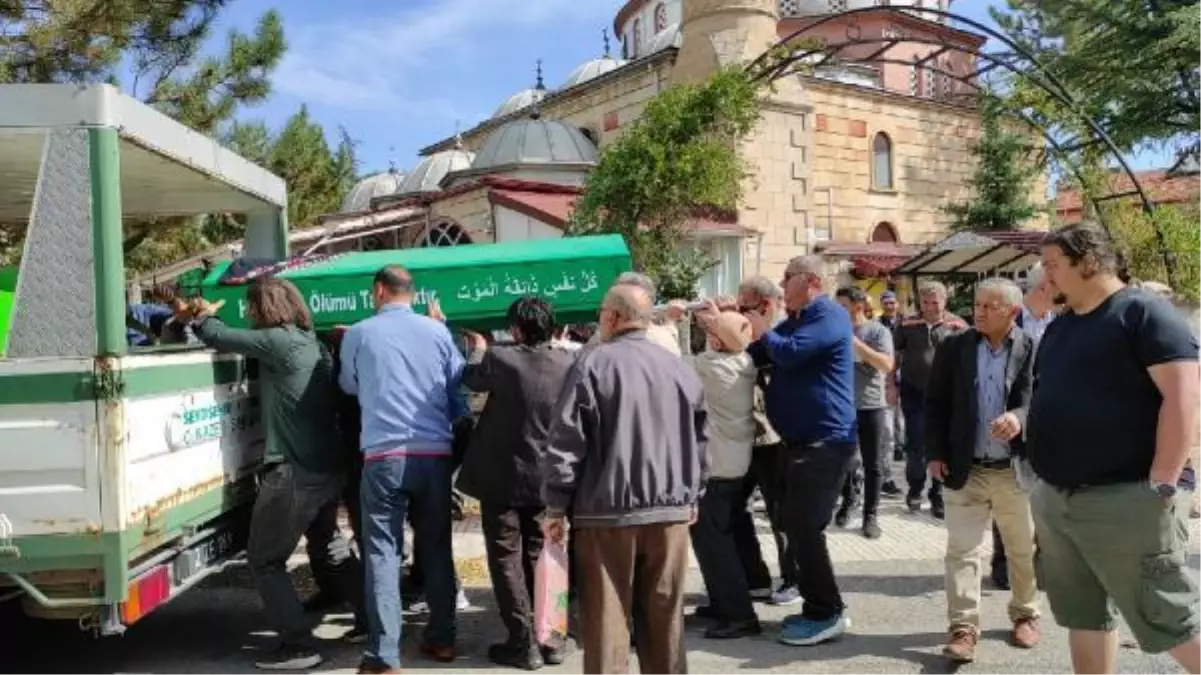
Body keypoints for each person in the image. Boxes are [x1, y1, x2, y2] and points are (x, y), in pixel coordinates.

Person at [1027, 223, 1201, 675]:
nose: (1044, 278)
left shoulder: (1143, 313)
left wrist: (1162, 483)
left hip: (1127, 499)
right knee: (1084, 617)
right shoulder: (1063, 326)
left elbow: (1183, 397)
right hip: (1059, 498)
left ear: (1087, 262)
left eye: (1052, 266)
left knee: (1171, 619)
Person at [182, 280, 363, 671]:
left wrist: (200, 313)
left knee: (265, 560)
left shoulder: (277, 341)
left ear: (266, 307)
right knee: (330, 542)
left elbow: (216, 335)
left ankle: (298, 646)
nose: (248, 314)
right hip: (327, 466)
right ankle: (371, 620)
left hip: (295, 471)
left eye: (251, 307)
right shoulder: (309, 341)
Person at [541, 283, 708, 675]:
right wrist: (693, 495)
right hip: (670, 514)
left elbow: (567, 441)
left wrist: (555, 505)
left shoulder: (591, 364)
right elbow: (701, 440)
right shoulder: (677, 367)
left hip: (606, 514)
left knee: (607, 623)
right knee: (666, 621)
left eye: (601, 312)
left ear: (613, 317)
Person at [338, 265, 466, 674]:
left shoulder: (359, 333)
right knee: (436, 548)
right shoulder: (439, 332)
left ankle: (383, 655)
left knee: (381, 553)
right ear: (411, 293)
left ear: (378, 291)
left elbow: (349, 386)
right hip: (434, 457)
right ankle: (443, 639)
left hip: (382, 458)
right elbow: (456, 385)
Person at [455, 297, 575, 669]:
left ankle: (523, 642)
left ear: (517, 329)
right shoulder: (568, 362)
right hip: (548, 480)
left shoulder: (499, 358)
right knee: (545, 556)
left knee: (506, 557)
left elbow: (469, 378)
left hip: (501, 478)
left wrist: (478, 348)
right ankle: (551, 638)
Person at [925, 278, 1041, 663]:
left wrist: (1020, 418)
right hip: (966, 468)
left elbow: (1044, 401)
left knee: (1021, 549)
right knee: (962, 551)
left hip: (1013, 469)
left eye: (990, 306)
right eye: (977, 304)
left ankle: (1025, 614)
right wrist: (935, 453)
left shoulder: (1032, 348)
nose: (979, 311)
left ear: (1011, 311)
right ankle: (963, 628)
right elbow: (936, 403)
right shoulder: (954, 346)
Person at [745, 255, 856, 646]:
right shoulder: (796, 320)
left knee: (805, 528)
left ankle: (827, 611)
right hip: (799, 444)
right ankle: (817, 606)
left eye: (786, 277)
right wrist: (730, 328)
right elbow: (759, 356)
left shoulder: (828, 315)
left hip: (825, 443)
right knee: (795, 525)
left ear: (809, 281)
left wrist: (761, 329)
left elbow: (789, 352)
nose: (780, 283)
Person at [684, 310, 762, 639]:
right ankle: (721, 603)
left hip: (716, 468)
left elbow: (678, 359)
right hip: (736, 466)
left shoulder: (711, 366)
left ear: (716, 340)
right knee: (717, 538)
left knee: (715, 544)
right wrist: (719, 321)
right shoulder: (745, 362)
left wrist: (673, 320)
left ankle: (740, 615)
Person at [736, 277, 801, 606]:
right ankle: (755, 577)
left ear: (764, 306)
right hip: (744, 434)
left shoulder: (783, 335)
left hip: (773, 436)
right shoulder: (757, 333)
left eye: (742, 307)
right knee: (734, 507)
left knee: (781, 512)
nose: (739, 313)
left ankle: (794, 578)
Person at [893, 281, 967, 519]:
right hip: (913, 391)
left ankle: (938, 494)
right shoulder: (907, 323)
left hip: (946, 394)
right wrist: (889, 385)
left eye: (935, 302)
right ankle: (915, 490)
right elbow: (894, 355)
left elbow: (967, 361)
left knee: (942, 443)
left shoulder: (958, 325)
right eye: (926, 302)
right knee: (915, 443)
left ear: (945, 302)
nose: (930, 307)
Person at [833, 286, 895, 539]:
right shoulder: (835, 332)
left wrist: (855, 343)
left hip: (871, 405)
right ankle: (849, 500)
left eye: (842, 306)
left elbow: (887, 364)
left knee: (873, 464)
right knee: (844, 461)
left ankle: (871, 516)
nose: (838, 310)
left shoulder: (878, 331)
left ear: (858, 306)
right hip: (841, 406)